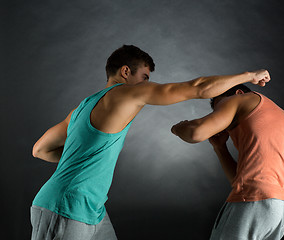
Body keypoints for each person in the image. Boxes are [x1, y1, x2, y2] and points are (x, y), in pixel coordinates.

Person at [31, 44, 271, 239]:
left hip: (92, 209)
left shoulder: (80, 109)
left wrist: (82, 157)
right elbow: (197, 88)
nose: (147, 84)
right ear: (125, 72)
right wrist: (249, 76)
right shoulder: (125, 93)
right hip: (65, 207)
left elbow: (40, 149)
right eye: (144, 77)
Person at [171, 84, 284, 240]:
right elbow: (240, 182)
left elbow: (195, 132)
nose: (220, 119)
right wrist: (220, 147)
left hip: (254, 201)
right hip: (283, 207)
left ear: (238, 93)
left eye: (219, 109)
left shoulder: (240, 99)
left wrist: (177, 128)